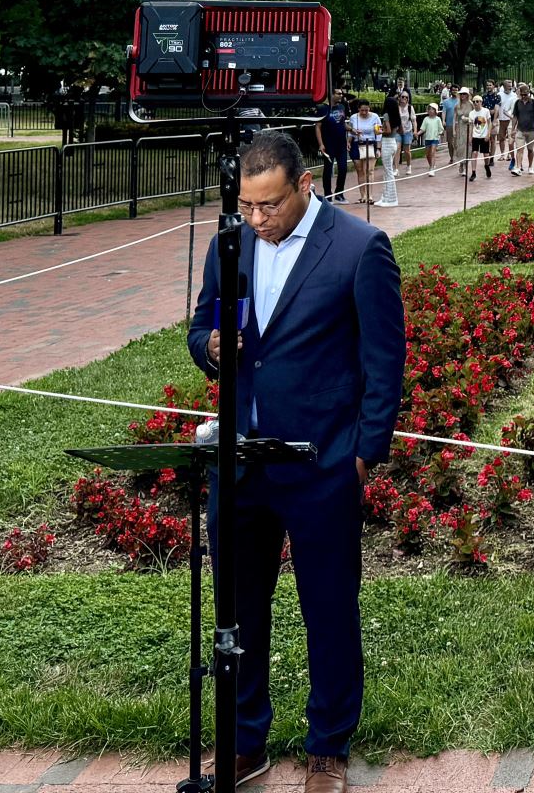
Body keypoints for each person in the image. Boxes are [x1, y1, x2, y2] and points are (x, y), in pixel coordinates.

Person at [187, 132, 404, 793]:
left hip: (321, 466)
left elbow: (383, 363)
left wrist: (363, 456)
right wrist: (212, 346)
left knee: (328, 609)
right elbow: (198, 328)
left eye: (270, 204)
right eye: (248, 205)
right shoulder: (231, 244)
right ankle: (246, 740)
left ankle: (328, 747)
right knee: (239, 612)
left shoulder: (359, 249)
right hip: (242, 464)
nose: (258, 218)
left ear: (305, 184)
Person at [346, 99, 381, 205]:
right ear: (358, 109)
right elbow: (351, 132)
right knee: (360, 170)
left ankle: (370, 195)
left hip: (370, 143)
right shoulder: (353, 117)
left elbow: (379, 133)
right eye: (362, 110)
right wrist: (349, 142)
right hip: (357, 144)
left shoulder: (375, 117)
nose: (364, 112)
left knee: (369, 170)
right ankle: (363, 195)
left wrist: (379, 148)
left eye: (366, 110)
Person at [317, 95, 349, 203]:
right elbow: (318, 126)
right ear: (331, 94)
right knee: (328, 169)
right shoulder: (323, 109)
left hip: (341, 143)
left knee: (343, 168)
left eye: (341, 93)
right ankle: (328, 195)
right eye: (338, 93)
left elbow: (343, 123)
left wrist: (352, 130)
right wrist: (321, 144)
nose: (341, 95)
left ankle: (339, 194)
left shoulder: (342, 107)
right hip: (328, 144)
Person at [376, 94, 404, 208]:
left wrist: (379, 131)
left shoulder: (386, 115)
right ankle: (385, 197)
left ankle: (391, 199)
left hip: (387, 143)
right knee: (387, 171)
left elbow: (387, 130)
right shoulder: (397, 116)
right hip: (393, 141)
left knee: (388, 172)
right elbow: (400, 130)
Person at [466, 93, 493, 180]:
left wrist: (488, 134)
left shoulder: (486, 111)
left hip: (484, 135)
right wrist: (470, 137)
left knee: (486, 154)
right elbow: (471, 126)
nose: (475, 103)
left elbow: (489, 123)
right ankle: (473, 172)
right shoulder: (471, 113)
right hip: (475, 135)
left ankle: (487, 165)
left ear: (481, 102)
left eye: (477, 101)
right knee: (474, 153)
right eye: (474, 102)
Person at [513, 90, 534, 176]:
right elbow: (515, 116)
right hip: (520, 129)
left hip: (531, 129)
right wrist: (513, 129)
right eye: (522, 95)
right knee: (519, 149)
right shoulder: (518, 102)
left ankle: (530, 166)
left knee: (530, 149)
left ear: (529, 94)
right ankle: (518, 167)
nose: (524, 96)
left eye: (525, 94)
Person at [419, 103, 443, 173]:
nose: (430, 111)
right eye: (429, 109)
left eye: (432, 109)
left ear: (435, 111)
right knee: (427, 154)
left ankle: (432, 169)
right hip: (427, 139)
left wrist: (439, 133)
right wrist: (417, 134)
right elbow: (423, 129)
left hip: (435, 138)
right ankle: (431, 165)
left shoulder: (438, 119)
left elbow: (441, 129)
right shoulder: (426, 119)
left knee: (432, 152)